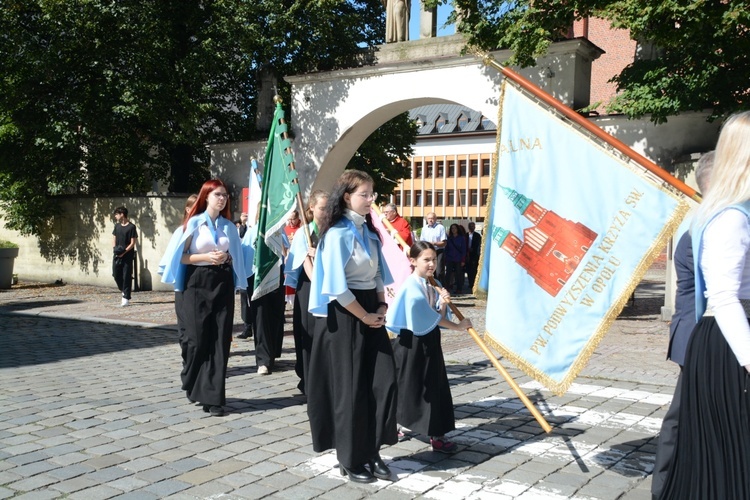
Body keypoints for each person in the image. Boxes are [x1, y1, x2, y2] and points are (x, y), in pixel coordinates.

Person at [657, 111, 750, 499]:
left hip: (724, 337)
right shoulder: (730, 218)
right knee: (717, 452)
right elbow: (725, 297)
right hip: (726, 340)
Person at [307, 170, 398, 483]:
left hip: (370, 311)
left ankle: (371, 450)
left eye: (372, 194)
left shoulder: (369, 233)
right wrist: (365, 316)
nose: (371, 199)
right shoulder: (336, 234)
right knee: (351, 389)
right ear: (347, 197)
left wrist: (382, 306)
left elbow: (376, 277)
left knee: (383, 384)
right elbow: (337, 289)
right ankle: (349, 458)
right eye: (365, 194)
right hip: (345, 317)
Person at [651, 152, 714, 498]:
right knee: (683, 420)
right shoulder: (706, 229)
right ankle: (667, 486)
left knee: (686, 417)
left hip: (698, 334)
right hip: (699, 335)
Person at [160, 179, 249, 417]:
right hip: (195, 284)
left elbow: (236, 257)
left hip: (222, 283)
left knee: (220, 340)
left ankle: (214, 397)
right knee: (196, 339)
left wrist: (226, 259)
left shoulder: (229, 226)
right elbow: (181, 257)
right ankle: (191, 378)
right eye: (218, 194)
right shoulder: (193, 224)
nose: (222, 199)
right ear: (206, 197)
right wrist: (206, 257)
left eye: (225, 195)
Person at [387, 241, 471, 453]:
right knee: (408, 385)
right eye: (426, 260)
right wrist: (458, 327)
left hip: (429, 340)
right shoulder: (411, 285)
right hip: (410, 343)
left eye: (433, 259)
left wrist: (443, 304)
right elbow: (427, 317)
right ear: (413, 261)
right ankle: (396, 423)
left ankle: (436, 433)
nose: (431, 264)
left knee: (434, 387)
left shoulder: (434, 283)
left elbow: (436, 318)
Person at [285, 190, 328, 394]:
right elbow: (307, 267)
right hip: (311, 286)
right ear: (311, 208)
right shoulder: (304, 233)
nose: (325, 212)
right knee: (308, 332)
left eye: (328, 208)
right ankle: (308, 378)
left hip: (330, 284)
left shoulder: (332, 231)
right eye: (321, 208)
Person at [158, 195, 199, 382]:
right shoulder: (181, 231)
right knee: (185, 331)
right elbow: (171, 260)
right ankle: (188, 362)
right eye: (192, 207)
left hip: (202, 287)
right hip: (183, 287)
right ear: (187, 210)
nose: (194, 211)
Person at [112, 207, 138, 307]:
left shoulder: (131, 227)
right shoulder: (117, 226)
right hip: (117, 254)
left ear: (122, 214)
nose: (115, 216)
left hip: (127, 255)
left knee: (126, 275)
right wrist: (115, 249)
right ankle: (123, 290)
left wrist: (124, 252)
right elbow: (114, 238)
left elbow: (133, 243)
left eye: (116, 214)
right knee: (116, 274)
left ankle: (126, 297)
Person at [420, 212, 447, 283]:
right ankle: (431, 286)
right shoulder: (424, 228)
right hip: (428, 252)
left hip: (438, 251)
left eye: (432, 218)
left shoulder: (440, 228)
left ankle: (441, 287)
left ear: (435, 219)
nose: (430, 220)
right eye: (429, 218)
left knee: (439, 271)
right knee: (429, 270)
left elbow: (444, 243)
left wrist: (434, 243)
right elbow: (422, 242)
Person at [444, 223, 467, 293]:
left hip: (458, 258)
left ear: (457, 229)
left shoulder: (461, 238)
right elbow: (446, 249)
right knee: (448, 274)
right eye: (452, 228)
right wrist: (446, 258)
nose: (453, 230)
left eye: (455, 228)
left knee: (458, 274)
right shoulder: (449, 238)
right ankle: (447, 288)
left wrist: (463, 260)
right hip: (450, 258)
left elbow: (464, 249)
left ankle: (459, 289)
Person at [466, 222, 482, 291]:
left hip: (475, 254)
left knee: (474, 269)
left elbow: (478, 244)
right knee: (468, 270)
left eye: (473, 226)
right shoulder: (466, 235)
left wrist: (473, 249)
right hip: (467, 254)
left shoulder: (477, 235)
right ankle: (470, 283)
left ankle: (474, 283)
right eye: (470, 226)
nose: (472, 227)